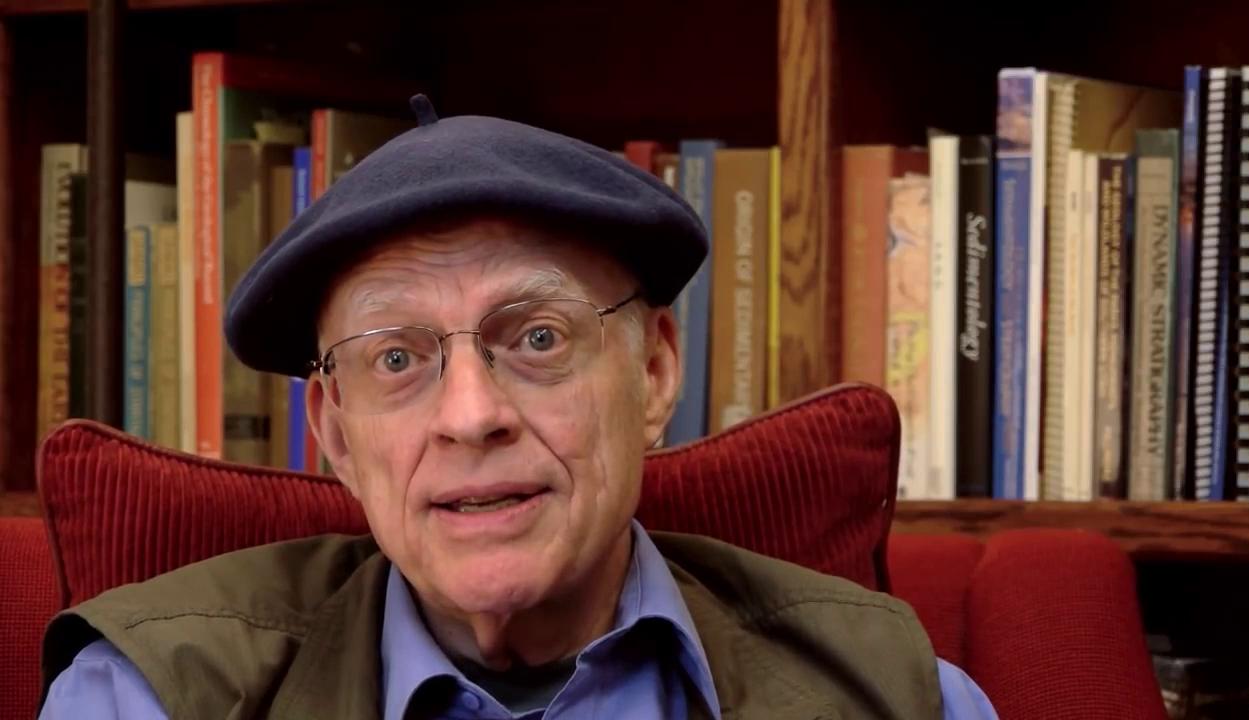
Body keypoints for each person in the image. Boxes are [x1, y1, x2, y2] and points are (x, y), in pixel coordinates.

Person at [39, 96, 998, 719]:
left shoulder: (897, 695)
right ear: (335, 434)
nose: (470, 414)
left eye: (537, 338)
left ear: (655, 373)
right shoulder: (146, 696)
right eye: (398, 358)